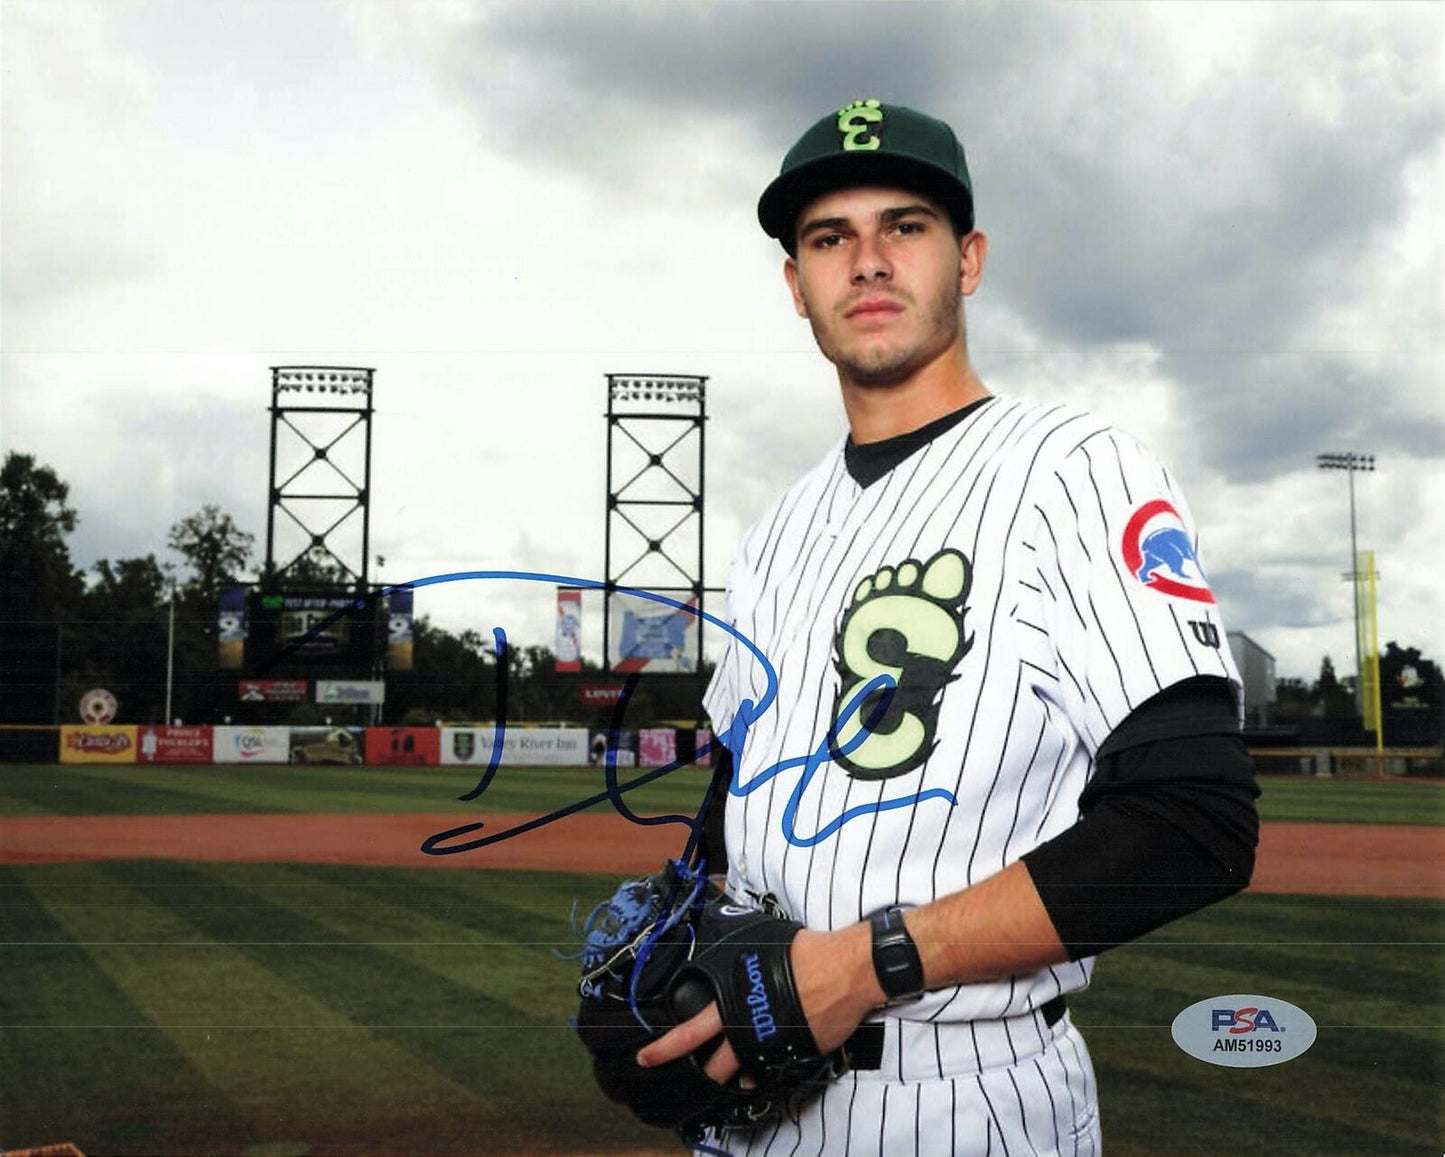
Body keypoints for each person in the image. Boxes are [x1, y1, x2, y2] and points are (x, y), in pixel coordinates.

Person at [636, 100, 1259, 1155]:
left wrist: (864, 962)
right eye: (829, 238)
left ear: (966, 260)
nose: (866, 261)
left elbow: (1194, 821)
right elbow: (732, 785)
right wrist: (680, 938)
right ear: (796, 285)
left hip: (964, 1097)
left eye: (904, 227)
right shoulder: (774, 530)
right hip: (759, 1094)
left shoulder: (1071, 468)